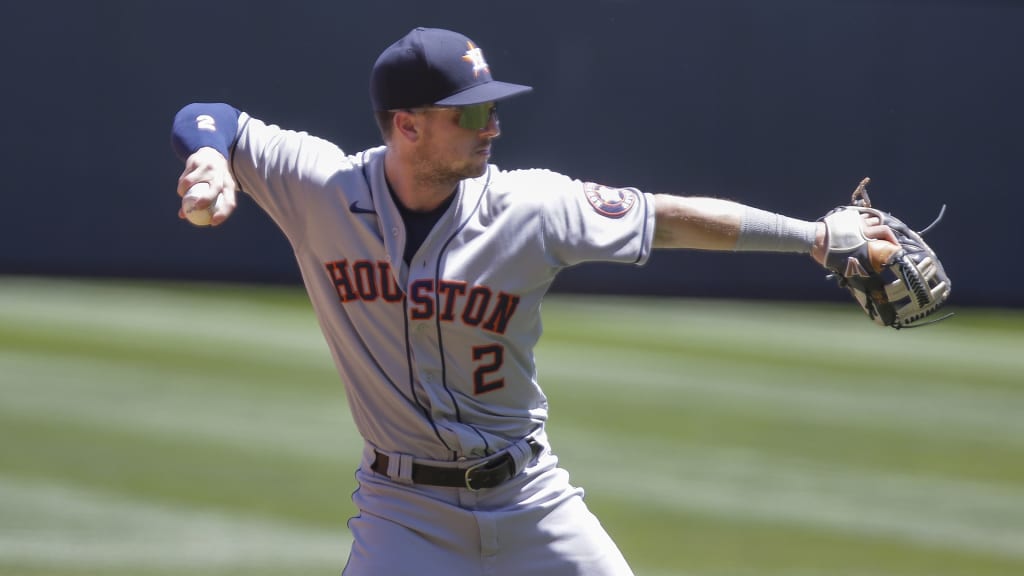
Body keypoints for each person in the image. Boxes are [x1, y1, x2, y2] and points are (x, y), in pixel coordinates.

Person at [170, 26, 896, 576]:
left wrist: (812, 237)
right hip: (403, 514)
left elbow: (666, 216)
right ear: (406, 126)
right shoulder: (320, 186)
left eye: (490, 109)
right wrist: (208, 158)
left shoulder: (532, 206)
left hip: (530, 496)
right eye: (469, 114)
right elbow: (210, 115)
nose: (491, 126)